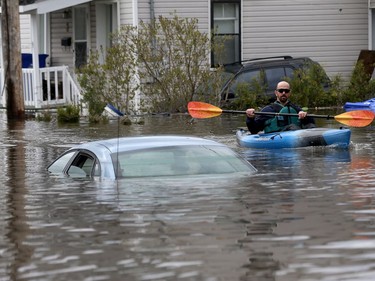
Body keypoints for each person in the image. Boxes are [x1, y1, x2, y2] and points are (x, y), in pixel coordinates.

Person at [245, 81, 315, 134]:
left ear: (289, 93)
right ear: (276, 93)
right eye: (281, 91)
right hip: (277, 137)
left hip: (296, 135)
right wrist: (250, 118)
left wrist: (305, 116)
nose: (283, 93)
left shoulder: (296, 109)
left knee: (311, 126)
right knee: (292, 127)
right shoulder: (268, 110)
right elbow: (253, 130)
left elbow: (311, 122)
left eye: (286, 91)